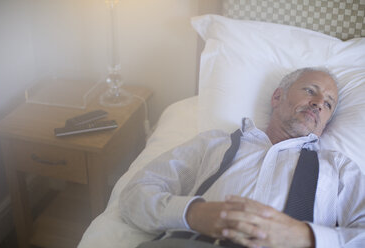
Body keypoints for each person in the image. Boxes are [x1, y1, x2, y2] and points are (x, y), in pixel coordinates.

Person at [119, 67, 365, 248]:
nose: (319, 103)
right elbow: (135, 194)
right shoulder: (213, 143)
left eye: (329, 104)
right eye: (311, 91)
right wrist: (191, 214)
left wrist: (305, 237)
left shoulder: (339, 168)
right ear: (277, 97)